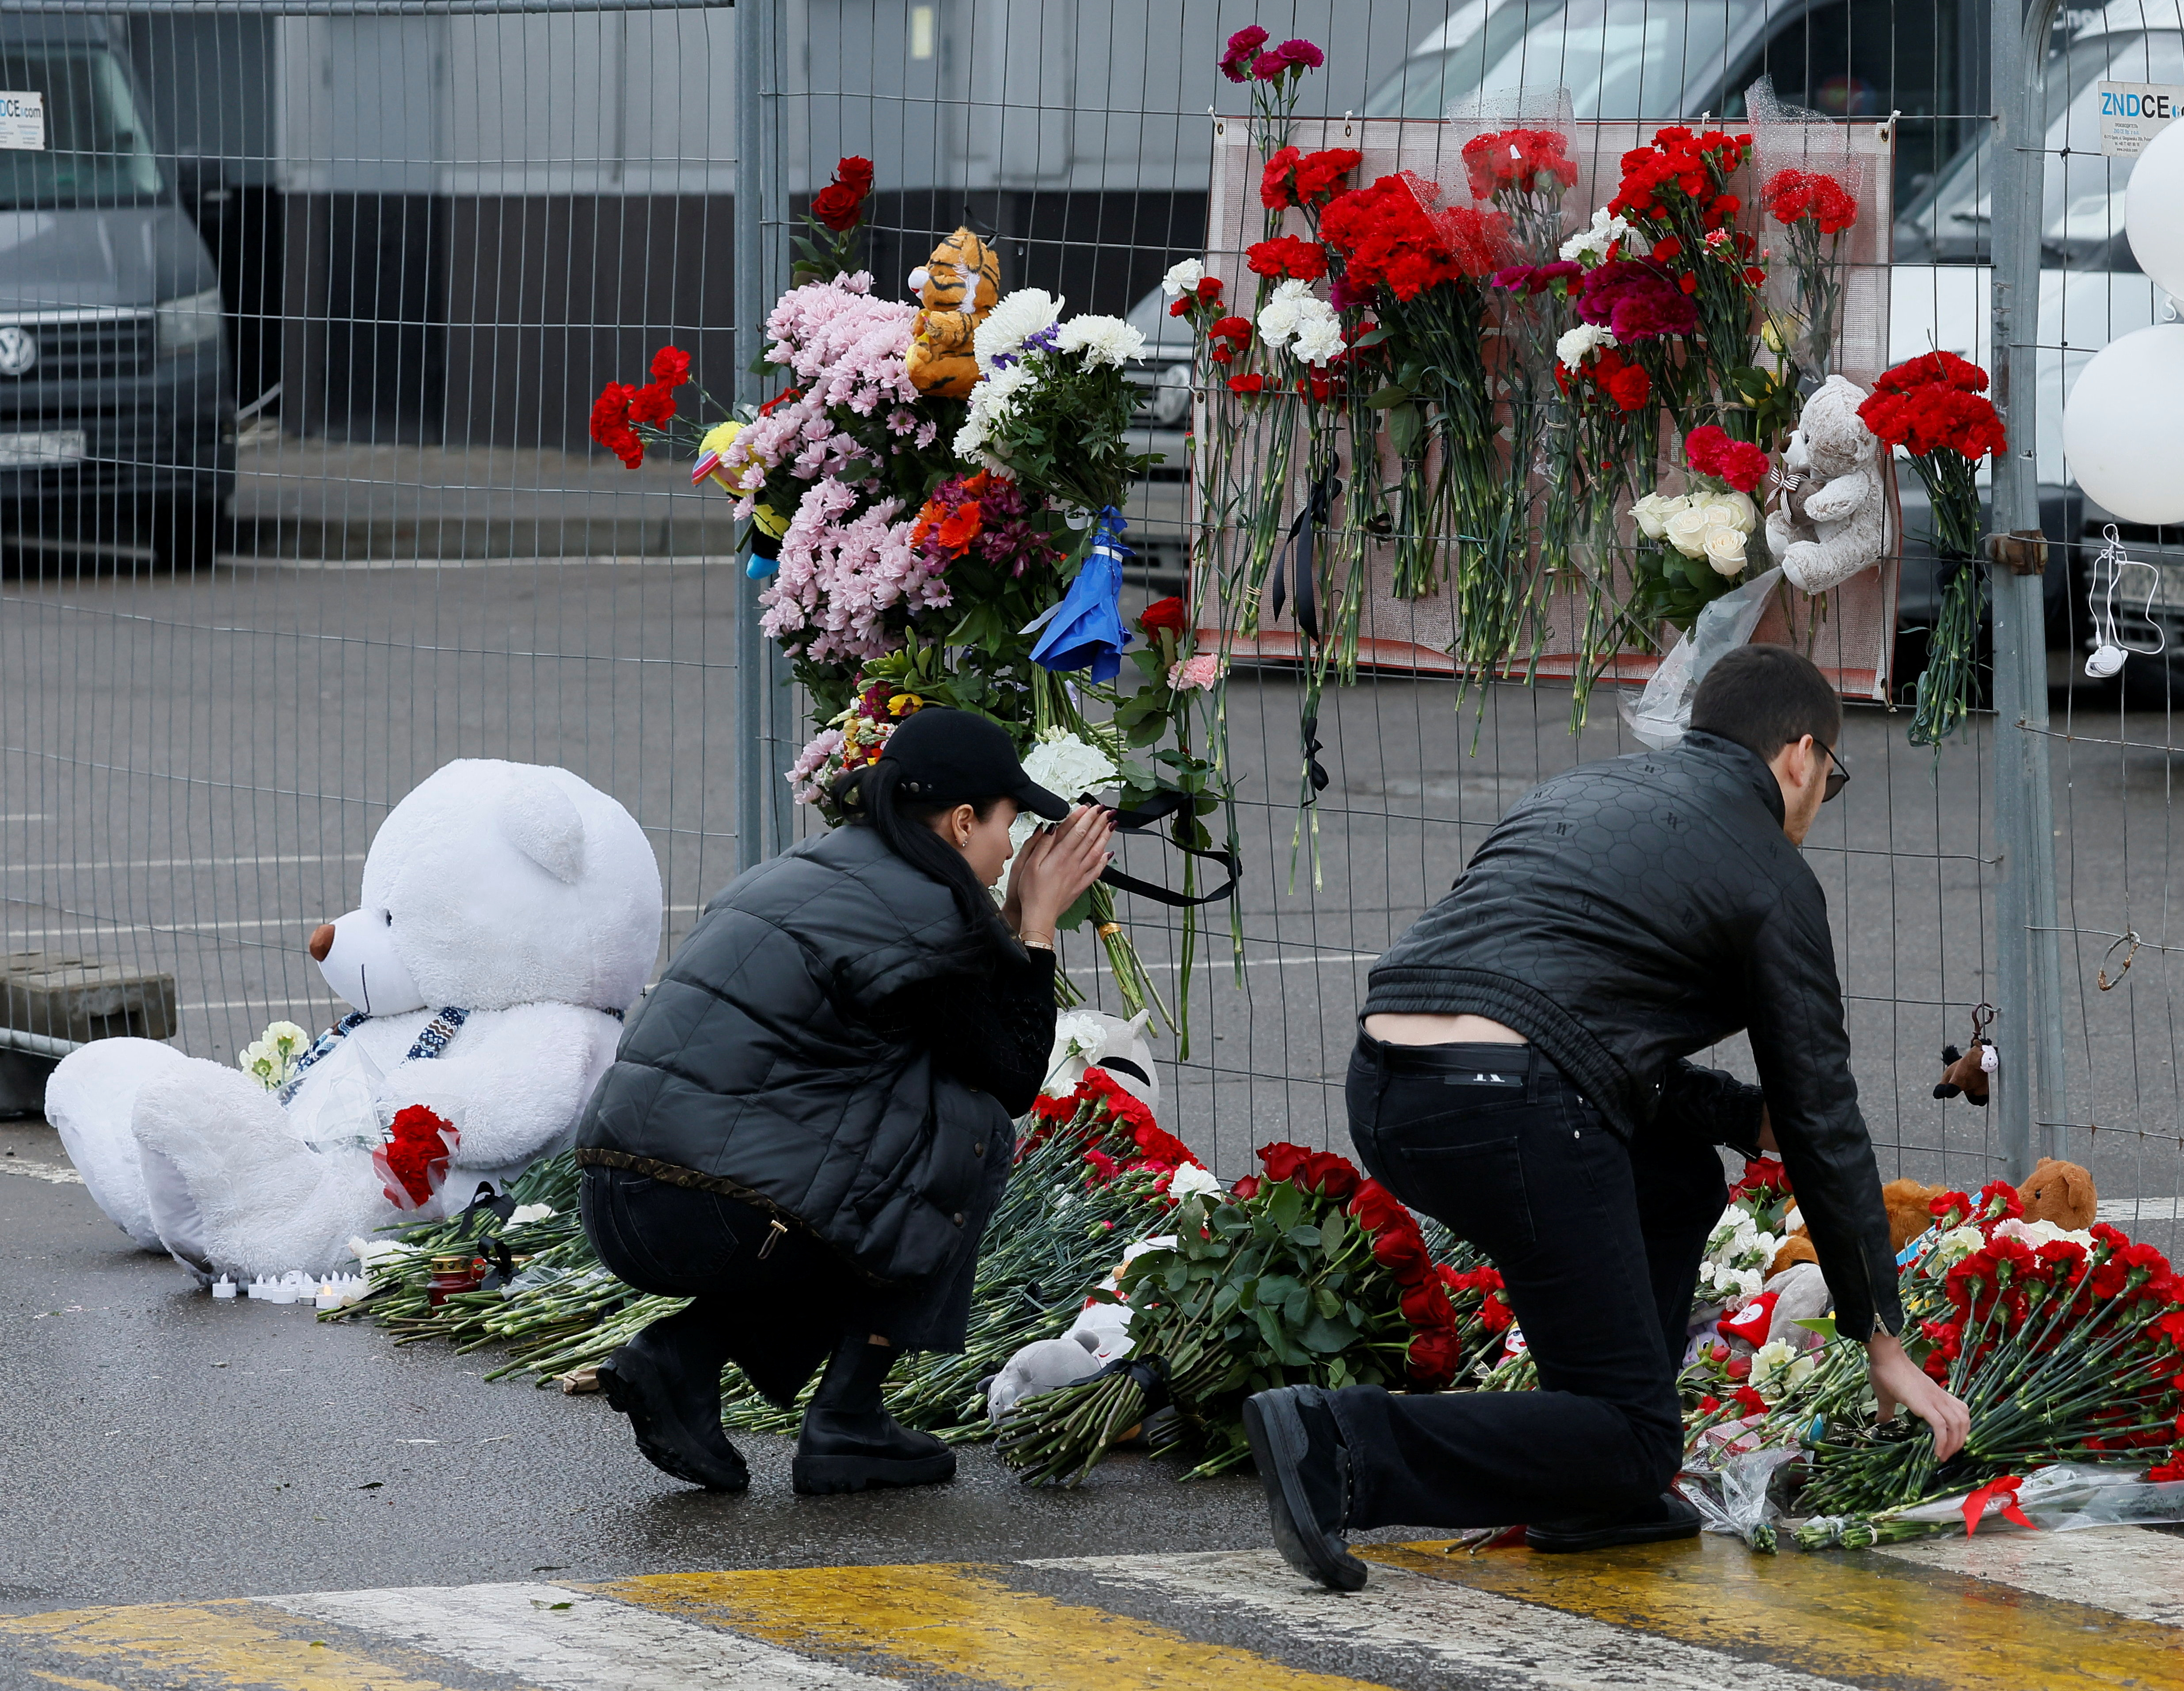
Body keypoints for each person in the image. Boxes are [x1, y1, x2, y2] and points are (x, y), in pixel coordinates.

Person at [1243, 643, 1970, 1589]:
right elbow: (1823, 1115)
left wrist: (1740, 1116)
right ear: (1801, 756)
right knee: (1636, 1437)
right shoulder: (1772, 873)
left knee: (1673, 1180)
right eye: (1830, 778)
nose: (1819, 802)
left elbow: (1571, 1017)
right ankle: (1341, 1441)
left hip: (1390, 1087)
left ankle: (1595, 1494)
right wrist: (1885, 1341)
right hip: (1515, 1109)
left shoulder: (1585, 793)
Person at [575, 708, 1115, 1495]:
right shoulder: (921, 910)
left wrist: (1001, 923)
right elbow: (1007, 1077)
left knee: (875, 1149)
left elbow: (946, 1017)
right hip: (712, 1211)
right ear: (963, 823)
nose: (1011, 853)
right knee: (968, 1131)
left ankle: (684, 1360)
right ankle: (849, 1420)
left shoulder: (823, 869)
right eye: (1008, 826)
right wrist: (1036, 927)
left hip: (623, 1194)